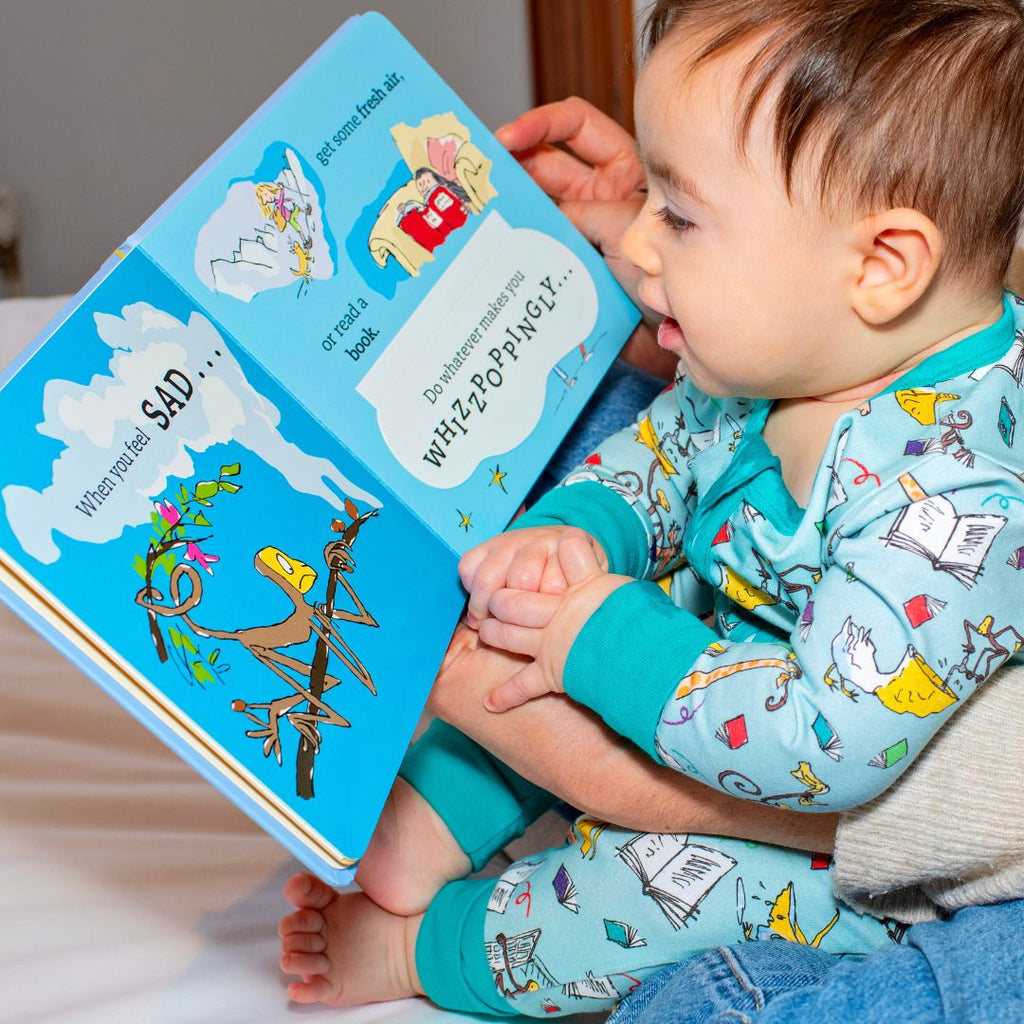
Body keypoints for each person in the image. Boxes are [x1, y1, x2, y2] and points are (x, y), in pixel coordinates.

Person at [278, 0, 1024, 1016]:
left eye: (678, 214)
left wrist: (604, 640)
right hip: (737, 647)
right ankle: (444, 807)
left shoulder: (957, 498)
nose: (635, 242)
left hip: (866, 854)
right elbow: (674, 444)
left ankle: (428, 951)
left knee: (668, 880)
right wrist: (579, 533)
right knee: (584, 600)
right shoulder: (814, 346)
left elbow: (819, 745)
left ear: (881, 268)